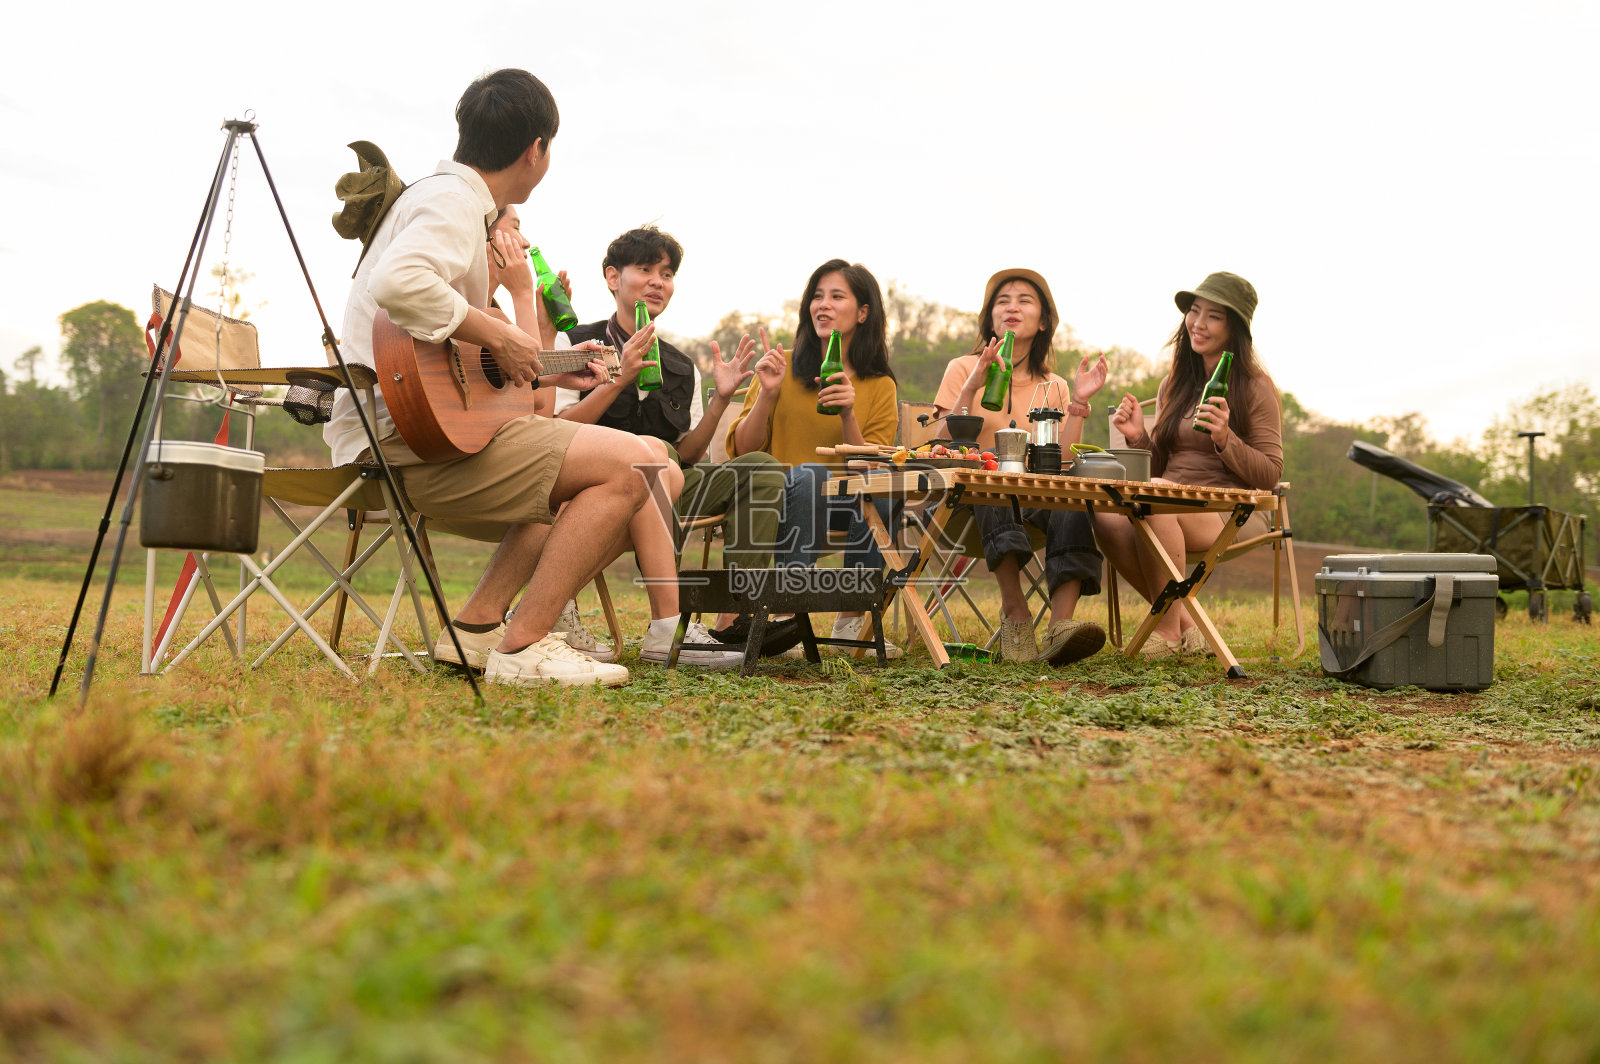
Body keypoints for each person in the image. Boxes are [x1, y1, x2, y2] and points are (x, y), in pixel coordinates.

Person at [322, 68, 670, 688]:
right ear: (536, 150)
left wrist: (553, 366)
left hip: (411, 430)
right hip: (403, 441)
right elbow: (397, 284)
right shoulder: (454, 204)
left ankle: (479, 628)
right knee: (634, 463)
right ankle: (525, 645)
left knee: (610, 467)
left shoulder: (441, 199)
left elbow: (456, 362)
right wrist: (500, 332)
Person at [552, 226, 788, 654]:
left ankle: (739, 616)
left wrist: (722, 401)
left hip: (670, 483)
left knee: (761, 469)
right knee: (654, 457)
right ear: (612, 278)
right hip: (591, 486)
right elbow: (557, 427)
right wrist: (618, 378)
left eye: (667, 273)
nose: (658, 282)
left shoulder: (681, 366)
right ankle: (568, 605)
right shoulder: (574, 342)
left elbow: (690, 454)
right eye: (645, 269)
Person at [1094, 271, 1283, 659]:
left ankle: (1165, 634)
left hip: (1230, 508)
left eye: (1213, 316)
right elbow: (1160, 464)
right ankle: (1188, 626)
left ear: (1235, 328)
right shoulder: (1174, 385)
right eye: (1194, 311)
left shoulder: (1255, 386)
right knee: (1105, 514)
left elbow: (1270, 474)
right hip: (1167, 501)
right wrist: (1136, 437)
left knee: (1158, 498)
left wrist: (1225, 439)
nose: (1197, 323)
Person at [931, 268, 1109, 665]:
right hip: (962, 507)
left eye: (1024, 300)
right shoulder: (963, 367)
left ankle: (1060, 628)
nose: (1012, 307)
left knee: (1073, 497)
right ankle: (1015, 613)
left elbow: (1061, 463)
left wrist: (1077, 403)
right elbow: (940, 442)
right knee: (990, 481)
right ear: (990, 317)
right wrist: (972, 387)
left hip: (1032, 505)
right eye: (1002, 301)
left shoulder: (1054, 385)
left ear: (1043, 320)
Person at [725, 258, 900, 653]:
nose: (823, 304)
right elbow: (742, 451)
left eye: (837, 296)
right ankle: (788, 615)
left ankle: (850, 622)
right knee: (808, 475)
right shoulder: (780, 367)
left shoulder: (879, 385)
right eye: (817, 296)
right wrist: (767, 394)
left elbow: (866, 467)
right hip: (775, 501)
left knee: (886, 488)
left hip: (844, 506)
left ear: (863, 312)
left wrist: (848, 413)